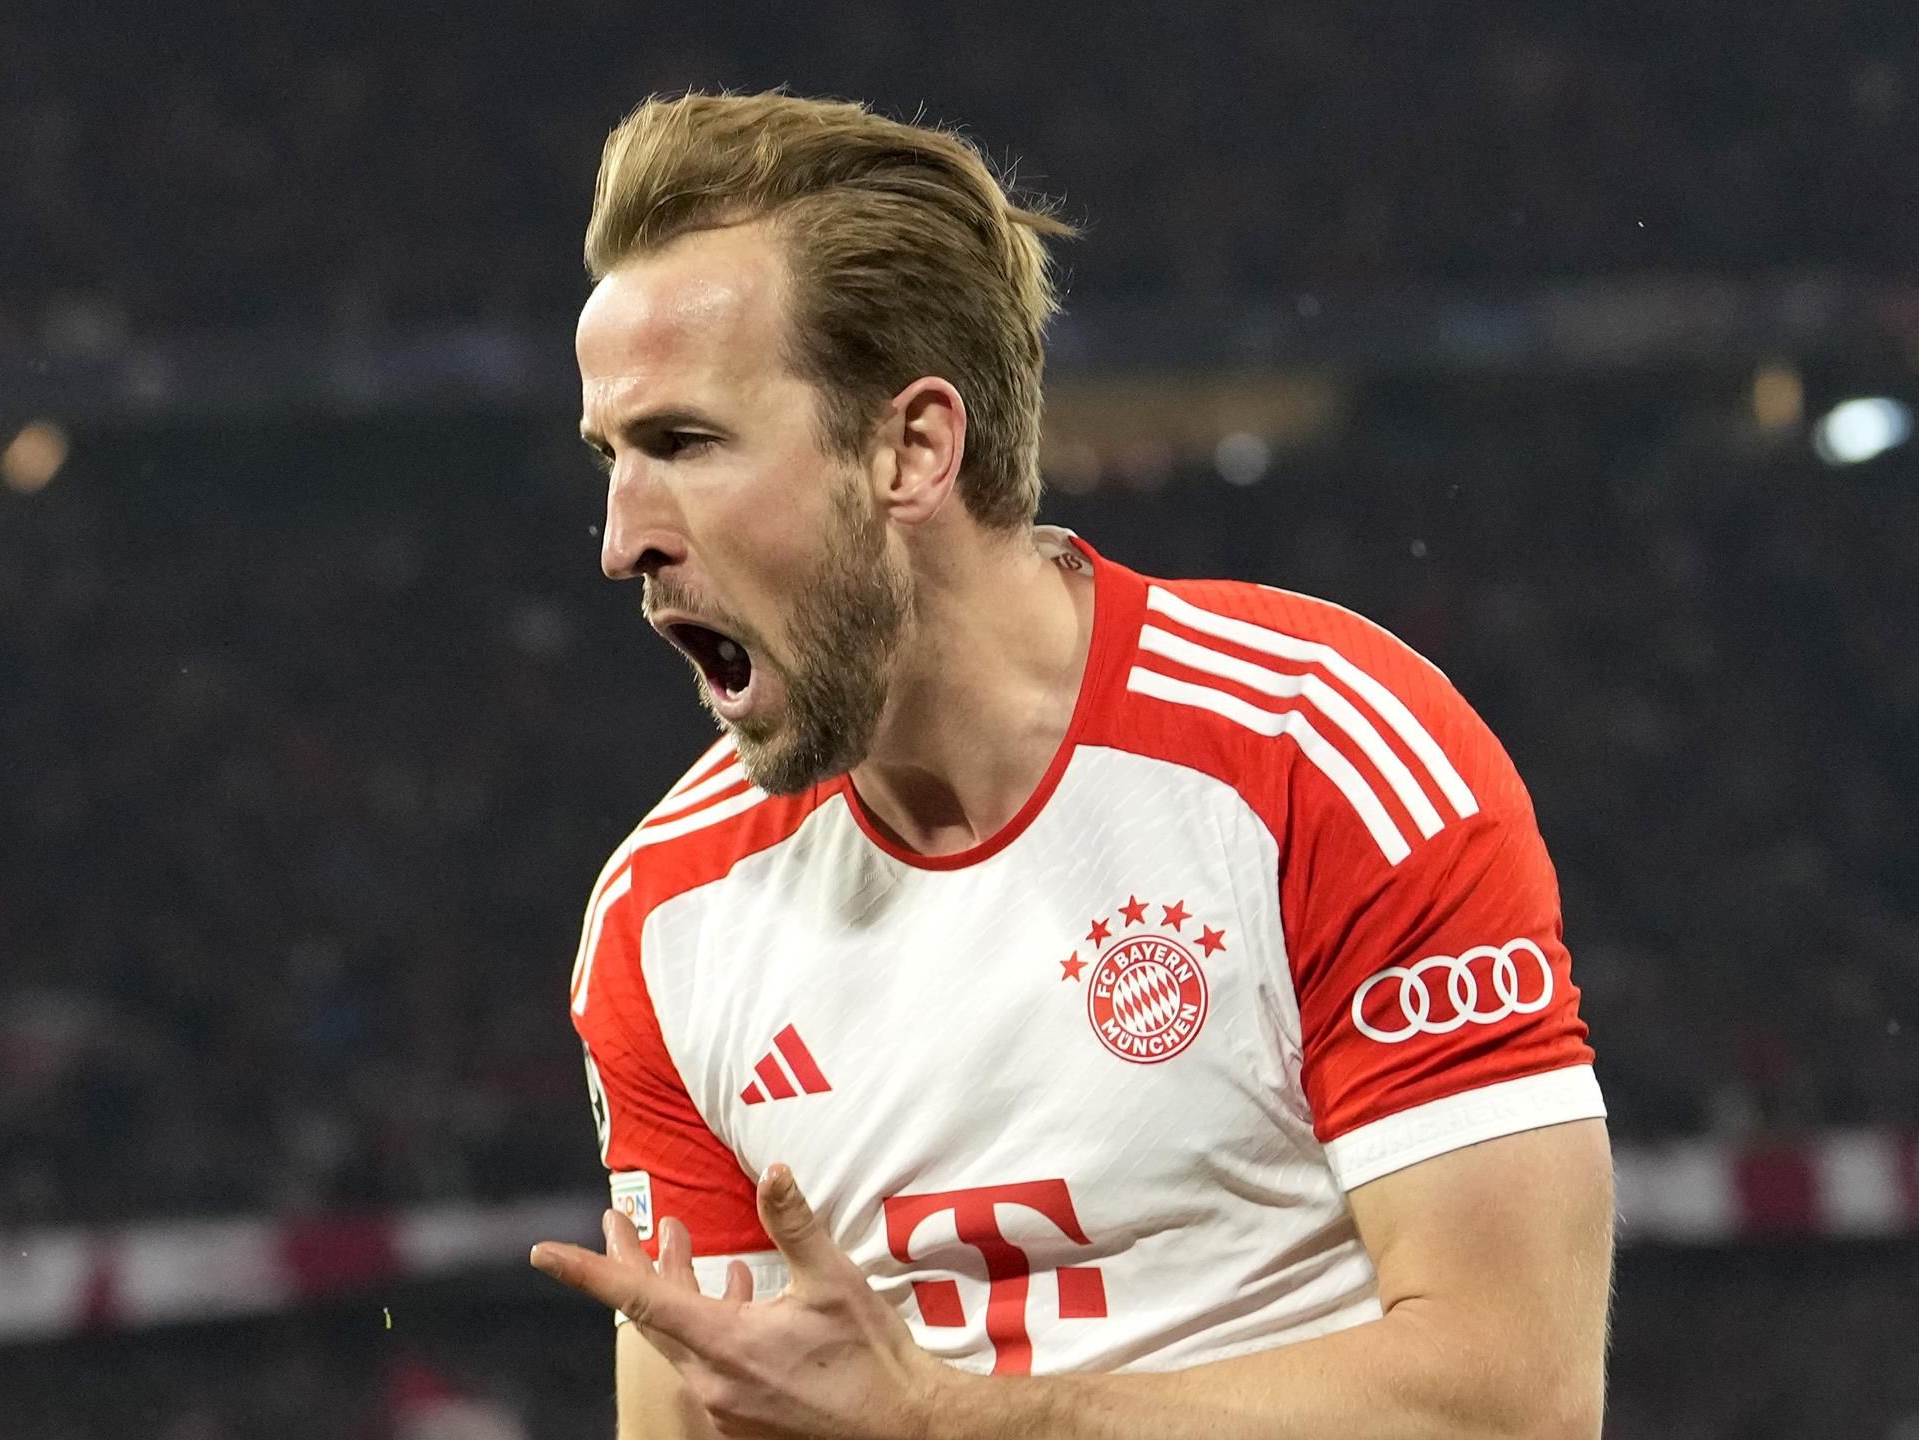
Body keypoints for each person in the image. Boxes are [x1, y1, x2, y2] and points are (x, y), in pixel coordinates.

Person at [530, 91, 1614, 1440]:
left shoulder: (1320, 754)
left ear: (913, 449)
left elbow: (1514, 1402)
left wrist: (951, 1419)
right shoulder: (665, 918)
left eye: (684, 444)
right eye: (612, 457)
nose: (621, 540)